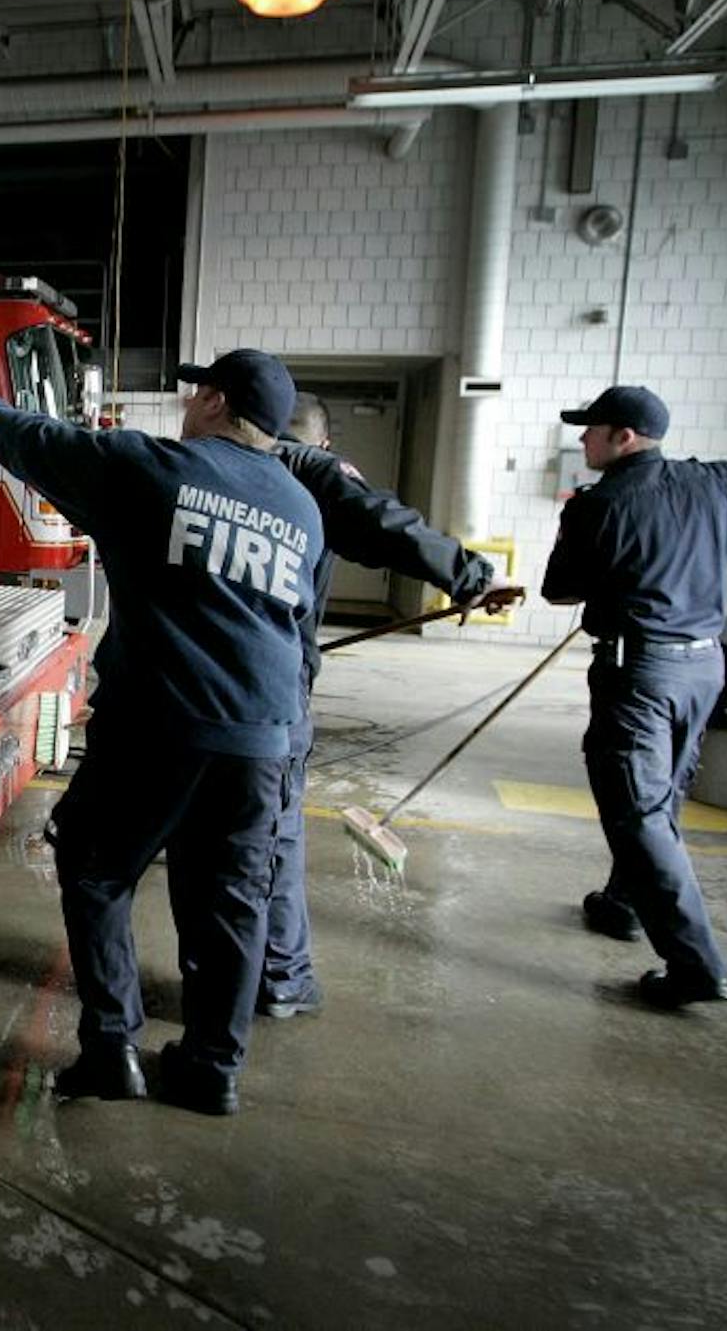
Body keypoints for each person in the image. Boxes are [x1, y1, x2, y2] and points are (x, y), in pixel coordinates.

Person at [0, 348, 323, 1115]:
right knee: (231, 903)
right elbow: (300, 626)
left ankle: (113, 1048)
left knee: (96, 864)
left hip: (162, 725)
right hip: (262, 741)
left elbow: (45, 445)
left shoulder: (159, 469)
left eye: (194, 393)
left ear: (212, 401)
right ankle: (214, 1070)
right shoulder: (302, 509)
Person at [541, 385, 727, 1007]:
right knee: (662, 793)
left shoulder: (599, 505)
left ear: (624, 437)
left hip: (639, 675)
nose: (583, 440)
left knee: (638, 810)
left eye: (591, 430)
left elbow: (559, 592)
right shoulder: (719, 485)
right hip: (703, 670)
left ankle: (697, 966)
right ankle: (624, 902)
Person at [264, 401, 523, 1018]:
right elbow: (388, 524)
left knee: (245, 833)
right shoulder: (302, 470)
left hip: (233, 687)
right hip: (266, 684)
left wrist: (468, 574)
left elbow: (385, 524)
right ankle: (280, 976)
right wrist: (470, 576)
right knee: (267, 831)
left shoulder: (270, 467)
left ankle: (263, 978)